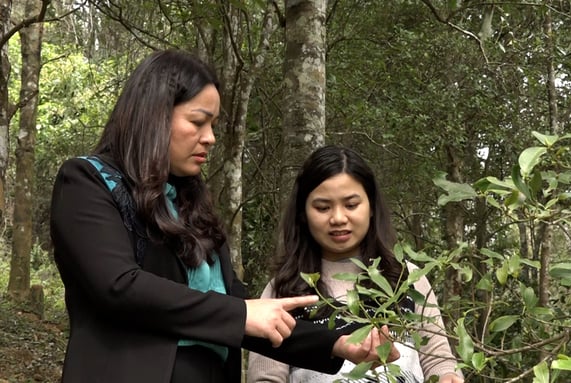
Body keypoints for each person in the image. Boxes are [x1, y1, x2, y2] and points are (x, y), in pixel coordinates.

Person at [50, 50, 398, 383]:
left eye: (213, 124)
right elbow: (117, 286)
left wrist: (336, 341)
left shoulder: (190, 203)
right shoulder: (87, 181)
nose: (211, 138)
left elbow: (241, 310)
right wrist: (241, 314)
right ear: (153, 115)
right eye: (198, 122)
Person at [246, 145, 465, 382]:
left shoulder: (406, 278)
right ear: (303, 213)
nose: (338, 218)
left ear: (371, 207)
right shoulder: (285, 291)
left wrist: (447, 376)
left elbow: (438, 362)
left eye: (351, 205)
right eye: (322, 207)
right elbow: (266, 378)